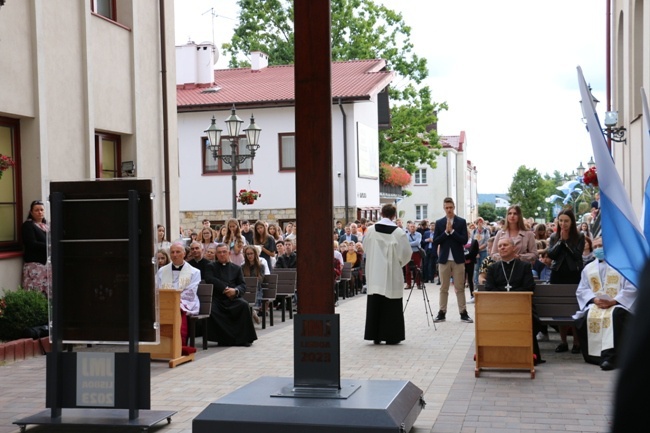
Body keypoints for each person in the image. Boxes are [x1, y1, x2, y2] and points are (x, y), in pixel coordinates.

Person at [573, 247, 636, 370]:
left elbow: (631, 288)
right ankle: (594, 357)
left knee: (615, 316)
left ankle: (611, 357)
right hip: (597, 305)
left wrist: (613, 301)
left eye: (601, 245)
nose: (598, 249)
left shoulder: (623, 266)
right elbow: (582, 289)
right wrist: (594, 299)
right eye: (595, 246)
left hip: (618, 304)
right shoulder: (588, 268)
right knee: (585, 317)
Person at [484, 237, 544, 365]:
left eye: (505, 245)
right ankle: (494, 355)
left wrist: (513, 299)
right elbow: (489, 288)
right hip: (498, 307)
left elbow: (529, 286)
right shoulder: (493, 268)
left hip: (521, 306)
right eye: (500, 246)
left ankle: (528, 354)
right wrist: (505, 300)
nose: (502, 248)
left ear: (514, 248)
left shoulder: (524, 266)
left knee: (531, 319)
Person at [363, 204, 413, 345]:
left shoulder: (371, 231)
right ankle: (391, 336)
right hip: (391, 273)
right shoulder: (398, 233)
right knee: (391, 304)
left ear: (381, 213)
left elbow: (366, 248)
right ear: (393, 215)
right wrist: (398, 264)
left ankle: (375, 335)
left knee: (375, 303)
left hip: (374, 273)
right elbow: (406, 254)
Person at [203, 243, 257, 346]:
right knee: (212, 309)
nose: (222, 254)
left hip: (233, 299)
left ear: (229, 253)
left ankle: (244, 339)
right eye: (219, 252)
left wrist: (235, 291)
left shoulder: (236, 268)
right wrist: (225, 289)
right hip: (217, 298)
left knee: (243, 305)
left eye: (224, 252)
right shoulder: (211, 266)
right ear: (216, 254)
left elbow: (242, 285)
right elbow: (210, 278)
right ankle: (224, 339)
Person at [547, 208, 585, 353]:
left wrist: (566, 244)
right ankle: (563, 342)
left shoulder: (579, 236)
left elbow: (577, 255)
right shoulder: (554, 236)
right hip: (557, 274)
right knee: (560, 308)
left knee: (574, 307)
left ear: (572, 222)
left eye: (566, 221)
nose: (563, 224)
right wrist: (560, 242)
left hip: (573, 274)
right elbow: (552, 255)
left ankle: (576, 342)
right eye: (561, 220)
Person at [431, 197, 472, 323]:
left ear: (454, 207)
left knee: (459, 287)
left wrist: (452, 231)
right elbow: (436, 241)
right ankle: (442, 312)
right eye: (446, 208)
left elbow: (464, 240)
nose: (449, 210)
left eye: (450, 207)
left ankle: (463, 313)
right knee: (444, 287)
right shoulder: (439, 222)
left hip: (458, 259)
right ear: (444, 208)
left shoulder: (461, 221)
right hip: (444, 259)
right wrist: (446, 232)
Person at [155, 242, 200, 354]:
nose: (175, 255)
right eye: (172, 252)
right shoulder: (161, 271)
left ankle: (178, 343)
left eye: (178, 252)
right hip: (164, 302)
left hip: (184, 302)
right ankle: (160, 344)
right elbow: (156, 288)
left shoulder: (194, 272)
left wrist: (175, 301)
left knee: (177, 309)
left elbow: (191, 291)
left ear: (184, 254)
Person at [21, 200, 50, 294]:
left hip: (47, 266)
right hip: (35, 266)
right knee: (36, 293)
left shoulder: (47, 226)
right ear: (31, 212)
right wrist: (49, 246)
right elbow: (31, 243)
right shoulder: (28, 225)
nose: (40, 212)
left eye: (41, 210)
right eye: (36, 210)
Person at [241, 245, 270, 324]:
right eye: (248, 254)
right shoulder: (243, 267)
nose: (250, 256)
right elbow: (241, 280)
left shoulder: (261, 266)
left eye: (251, 253)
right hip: (245, 289)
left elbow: (260, 280)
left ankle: (252, 310)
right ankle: (252, 311)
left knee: (255, 288)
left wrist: (251, 282)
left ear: (255, 254)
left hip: (257, 289)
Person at [471, 218, 491, 287]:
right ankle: (476, 284)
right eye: (478, 222)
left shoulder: (486, 231)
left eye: (481, 222)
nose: (480, 223)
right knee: (476, 268)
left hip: (483, 251)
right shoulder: (474, 231)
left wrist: (479, 249)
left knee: (483, 268)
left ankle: (482, 283)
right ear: (476, 223)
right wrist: (476, 251)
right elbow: (472, 242)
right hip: (475, 252)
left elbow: (486, 242)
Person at [404, 222, 423, 289]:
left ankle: (418, 284)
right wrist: (411, 243)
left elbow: (417, 242)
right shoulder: (406, 235)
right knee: (407, 269)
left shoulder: (418, 234)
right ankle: (408, 284)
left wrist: (408, 243)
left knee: (417, 269)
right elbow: (404, 243)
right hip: (408, 253)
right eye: (411, 226)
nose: (412, 228)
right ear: (408, 227)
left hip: (416, 253)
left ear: (416, 228)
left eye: (413, 227)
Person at [464, 237, 479, 303]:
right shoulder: (460, 240)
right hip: (462, 262)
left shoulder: (474, 241)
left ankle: (472, 295)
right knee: (462, 280)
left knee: (470, 279)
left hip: (470, 262)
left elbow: (475, 251)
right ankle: (461, 296)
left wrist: (468, 257)